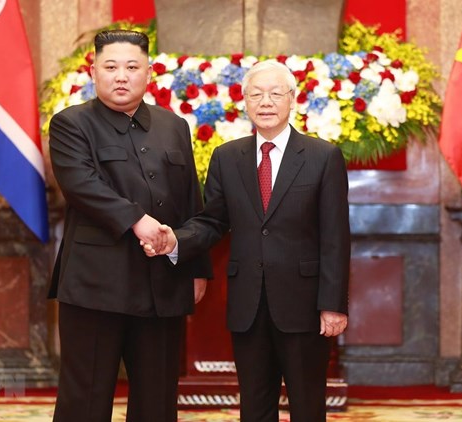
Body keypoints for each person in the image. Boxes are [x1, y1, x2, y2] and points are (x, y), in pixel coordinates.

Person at [147, 60, 350, 421]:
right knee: (254, 406)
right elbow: (212, 221)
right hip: (248, 305)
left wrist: (333, 305)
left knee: (308, 405)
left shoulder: (323, 157)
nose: (265, 102)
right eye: (256, 94)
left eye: (275, 93)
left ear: (292, 99)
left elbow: (335, 236)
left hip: (304, 305)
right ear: (244, 101)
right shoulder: (227, 157)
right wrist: (175, 240)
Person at [48, 29, 211, 422]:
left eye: (132, 67)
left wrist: (197, 266)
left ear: (149, 73)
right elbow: (82, 186)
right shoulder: (71, 124)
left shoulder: (174, 126)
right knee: (85, 401)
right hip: (94, 286)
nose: (121, 76)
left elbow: (191, 199)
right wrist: (138, 221)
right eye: (111, 67)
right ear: (93, 71)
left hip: (162, 286)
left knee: (158, 402)